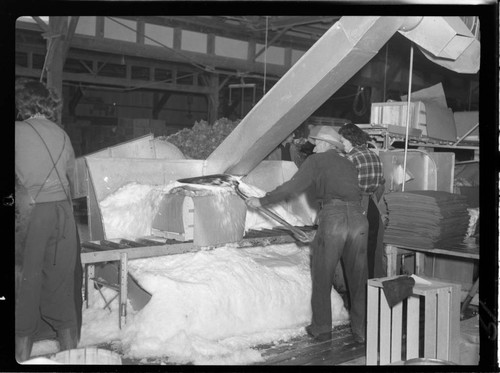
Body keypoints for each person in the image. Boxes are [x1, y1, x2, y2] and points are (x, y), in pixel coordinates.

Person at [246, 126, 368, 344]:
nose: (315, 145)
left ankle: (322, 329)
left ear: (327, 145)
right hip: (358, 220)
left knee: (322, 273)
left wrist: (261, 200)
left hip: (334, 219)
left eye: (318, 142)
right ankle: (361, 330)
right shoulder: (349, 164)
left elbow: (292, 187)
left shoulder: (316, 161)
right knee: (358, 277)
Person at [15, 79, 82, 362]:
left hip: (32, 212)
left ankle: (19, 358)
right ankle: (72, 357)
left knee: (25, 284)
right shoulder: (62, 134)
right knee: (61, 285)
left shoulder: (17, 132)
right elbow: (73, 180)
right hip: (63, 216)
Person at [338, 123, 386, 279]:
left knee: (355, 254)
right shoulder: (374, 156)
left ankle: (359, 295)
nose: (342, 144)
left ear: (351, 139)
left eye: (343, 141)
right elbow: (381, 184)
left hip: (356, 207)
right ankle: (373, 290)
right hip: (372, 207)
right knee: (371, 251)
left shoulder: (350, 158)